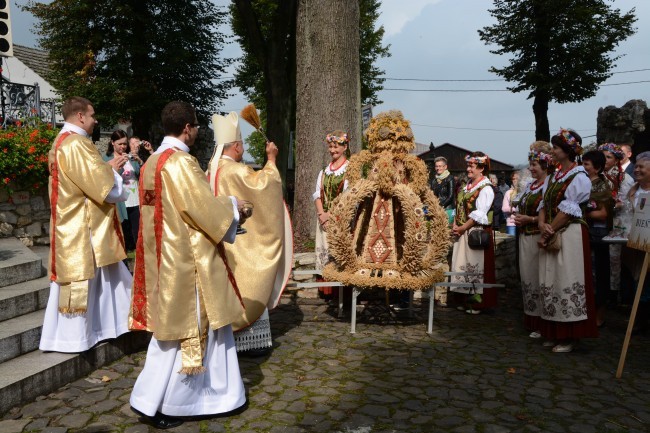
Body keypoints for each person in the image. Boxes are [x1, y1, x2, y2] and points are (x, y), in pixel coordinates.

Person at [129, 101, 247, 429]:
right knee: (189, 334)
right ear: (187, 128)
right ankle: (171, 404)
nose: (197, 130)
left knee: (170, 337)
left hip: (160, 258)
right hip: (187, 262)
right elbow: (202, 209)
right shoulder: (181, 163)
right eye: (196, 125)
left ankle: (217, 393)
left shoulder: (152, 163)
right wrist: (234, 208)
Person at [39, 96, 132, 353]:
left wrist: (104, 169)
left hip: (71, 220)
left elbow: (83, 179)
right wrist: (112, 172)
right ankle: (77, 337)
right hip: (83, 225)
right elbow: (104, 188)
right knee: (89, 280)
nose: (95, 120)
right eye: (92, 116)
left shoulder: (60, 141)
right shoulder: (77, 143)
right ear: (80, 116)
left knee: (106, 278)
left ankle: (102, 329)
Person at [207, 111, 291, 357]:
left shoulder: (212, 170)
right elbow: (263, 186)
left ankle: (226, 336)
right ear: (235, 146)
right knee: (248, 284)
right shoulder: (235, 170)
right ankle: (251, 341)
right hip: (241, 242)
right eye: (241, 144)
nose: (243, 148)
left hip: (222, 240)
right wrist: (272, 160)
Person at [537, 128, 598, 353]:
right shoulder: (554, 176)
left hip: (569, 234)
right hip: (552, 232)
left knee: (566, 281)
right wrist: (542, 224)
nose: (552, 151)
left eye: (555, 148)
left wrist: (548, 231)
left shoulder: (579, 177)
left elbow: (569, 211)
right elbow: (543, 204)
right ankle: (554, 332)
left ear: (568, 151)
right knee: (551, 281)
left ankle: (570, 336)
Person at [514, 141, 553, 339]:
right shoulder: (531, 186)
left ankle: (543, 322)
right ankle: (531, 318)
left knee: (540, 279)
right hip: (525, 236)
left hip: (538, 236)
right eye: (530, 164)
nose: (530, 168)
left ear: (545, 165)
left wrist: (530, 219)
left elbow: (552, 214)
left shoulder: (549, 185)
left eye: (534, 165)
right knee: (528, 278)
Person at [450, 151, 497, 314]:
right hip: (463, 231)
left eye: (472, 166)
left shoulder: (486, 188)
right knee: (463, 266)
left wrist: (463, 228)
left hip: (475, 233)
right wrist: (456, 224)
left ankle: (477, 302)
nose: (468, 169)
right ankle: (464, 299)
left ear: (481, 169)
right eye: (468, 165)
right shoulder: (466, 186)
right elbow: (459, 207)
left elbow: (480, 213)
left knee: (475, 266)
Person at [313, 131, 350, 296]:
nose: (332, 150)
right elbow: (317, 194)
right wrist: (322, 214)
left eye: (336, 146)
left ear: (345, 147)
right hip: (323, 220)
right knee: (325, 252)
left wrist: (331, 215)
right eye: (330, 146)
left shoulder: (349, 169)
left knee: (338, 252)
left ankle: (340, 293)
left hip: (340, 219)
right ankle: (326, 290)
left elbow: (349, 196)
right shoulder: (324, 171)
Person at [599, 142, 635, 305]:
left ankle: (618, 295)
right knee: (602, 259)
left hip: (619, 220)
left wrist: (613, 205)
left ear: (616, 160)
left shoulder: (624, 177)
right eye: (603, 157)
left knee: (618, 259)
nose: (605, 160)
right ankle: (605, 293)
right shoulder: (597, 176)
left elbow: (627, 201)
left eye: (609, 157)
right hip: (600, 221)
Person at [582, 150, 613, 328]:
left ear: (597, 168)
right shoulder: (583, 183)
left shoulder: (602, 186)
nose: (583, 167)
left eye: (587, 164)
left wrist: (582, 212)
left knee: (599, 273)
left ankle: (599, 313)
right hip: (586, 232)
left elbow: (603, 214)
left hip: (598, 235)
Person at [624, 151, 650, 333]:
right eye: (637, 166)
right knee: (638, 281)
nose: (637, 170)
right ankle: (639, 319)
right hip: (636, 244)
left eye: (641, 167)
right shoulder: (632, 191)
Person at [105, 130, 142, 251]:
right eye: (120, 144)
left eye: (125, 144)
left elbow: (139, 174)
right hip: (120, 202)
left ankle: (139, 262)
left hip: (134, 199)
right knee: (122, 235)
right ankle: (124, 263)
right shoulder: (107, 158)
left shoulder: (130, 157)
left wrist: (139, 161)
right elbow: (108, 179)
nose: (123, 147)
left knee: (137, 232)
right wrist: (120, 167)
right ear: (112, 143)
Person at [430, 156, 455, 224]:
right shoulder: (434, 180)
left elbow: (450, 196)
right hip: (436, 209)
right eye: (436, 166)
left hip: (448, 209)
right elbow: (432, 195)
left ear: (445, 167)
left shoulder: (450, 178)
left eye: (440, 166)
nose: (438, 168)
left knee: (447, 230)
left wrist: (440, 206)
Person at [502, 171, 520, 236]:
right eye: (513, 179)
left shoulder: (525, 191)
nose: (515, 181)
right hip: (512, 223)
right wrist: (514, 209)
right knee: (511, 244)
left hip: (523, 223)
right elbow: (504, 208)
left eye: (517, 178)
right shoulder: (508, 192)